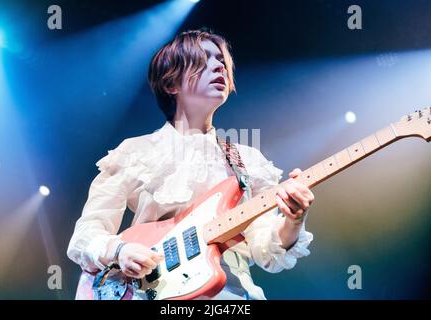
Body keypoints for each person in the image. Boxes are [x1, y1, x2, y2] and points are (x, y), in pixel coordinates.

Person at [67, 29, 314, 300]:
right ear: (171, 84)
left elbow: (266, 253)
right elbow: (86, 234)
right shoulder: (134, 152)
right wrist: (119, 251)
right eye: (203, 59)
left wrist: (294, 219)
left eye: (221, 59)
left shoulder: (248, 162)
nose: (218, 65)